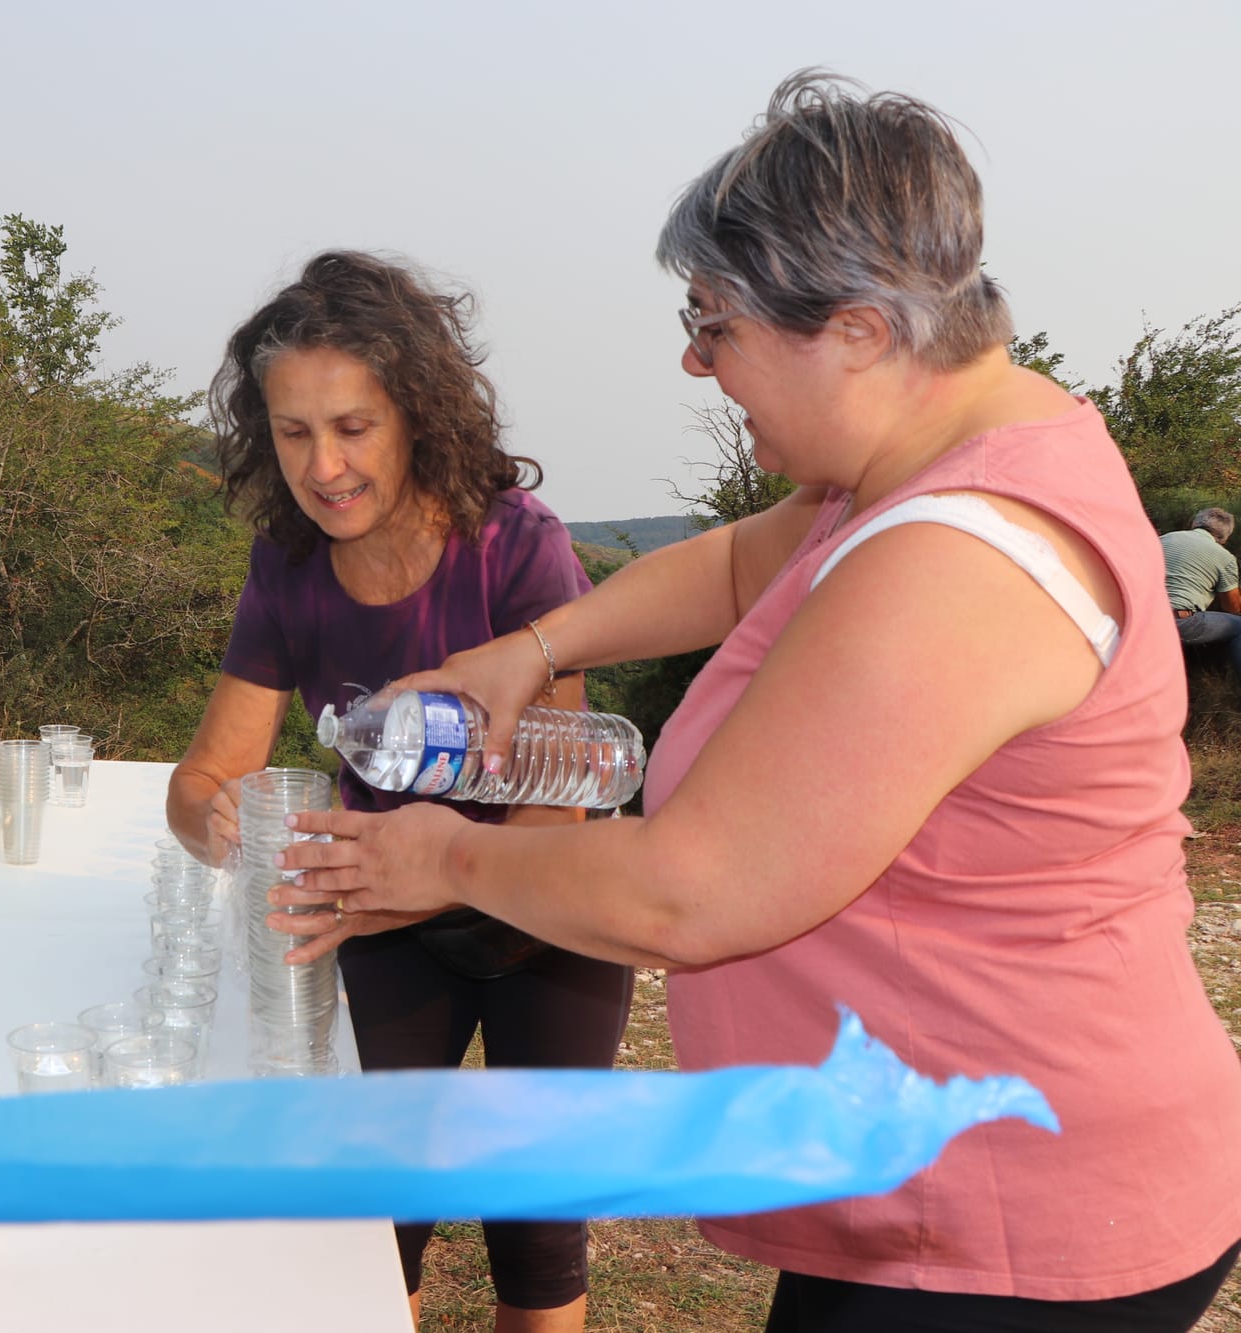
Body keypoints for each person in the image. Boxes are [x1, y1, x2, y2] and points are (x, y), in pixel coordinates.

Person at [275, 74, 1241, 1333]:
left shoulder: (963, 556)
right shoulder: (918, 467)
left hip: (1011, 1212)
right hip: (932, 1177)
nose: (692, 356)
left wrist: (442, 854)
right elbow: (741, 562)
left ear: (852, 330)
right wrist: (532, 646)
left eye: (712, 320)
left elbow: (692, 889)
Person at [166, 251, 633, 1333]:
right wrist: (213, 817)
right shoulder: (284, 567)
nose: (322, 466)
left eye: (351, 427)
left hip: (546, 913)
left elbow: (554, 807)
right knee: (375, 1228)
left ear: (415, 413)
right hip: (383, 921)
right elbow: (204, 776)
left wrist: (428, 879)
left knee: (534, 1238)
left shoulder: (516, 548)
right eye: (291, 432)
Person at [1160, 507, 1241, 680]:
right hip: (1179, 622)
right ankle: (1220, 684)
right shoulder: (1224, 557)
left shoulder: (1164, 539)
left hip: (1140, 616)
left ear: (1194, 524)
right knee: (1238, 626)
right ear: (1225, 537)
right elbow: (1232, 607)